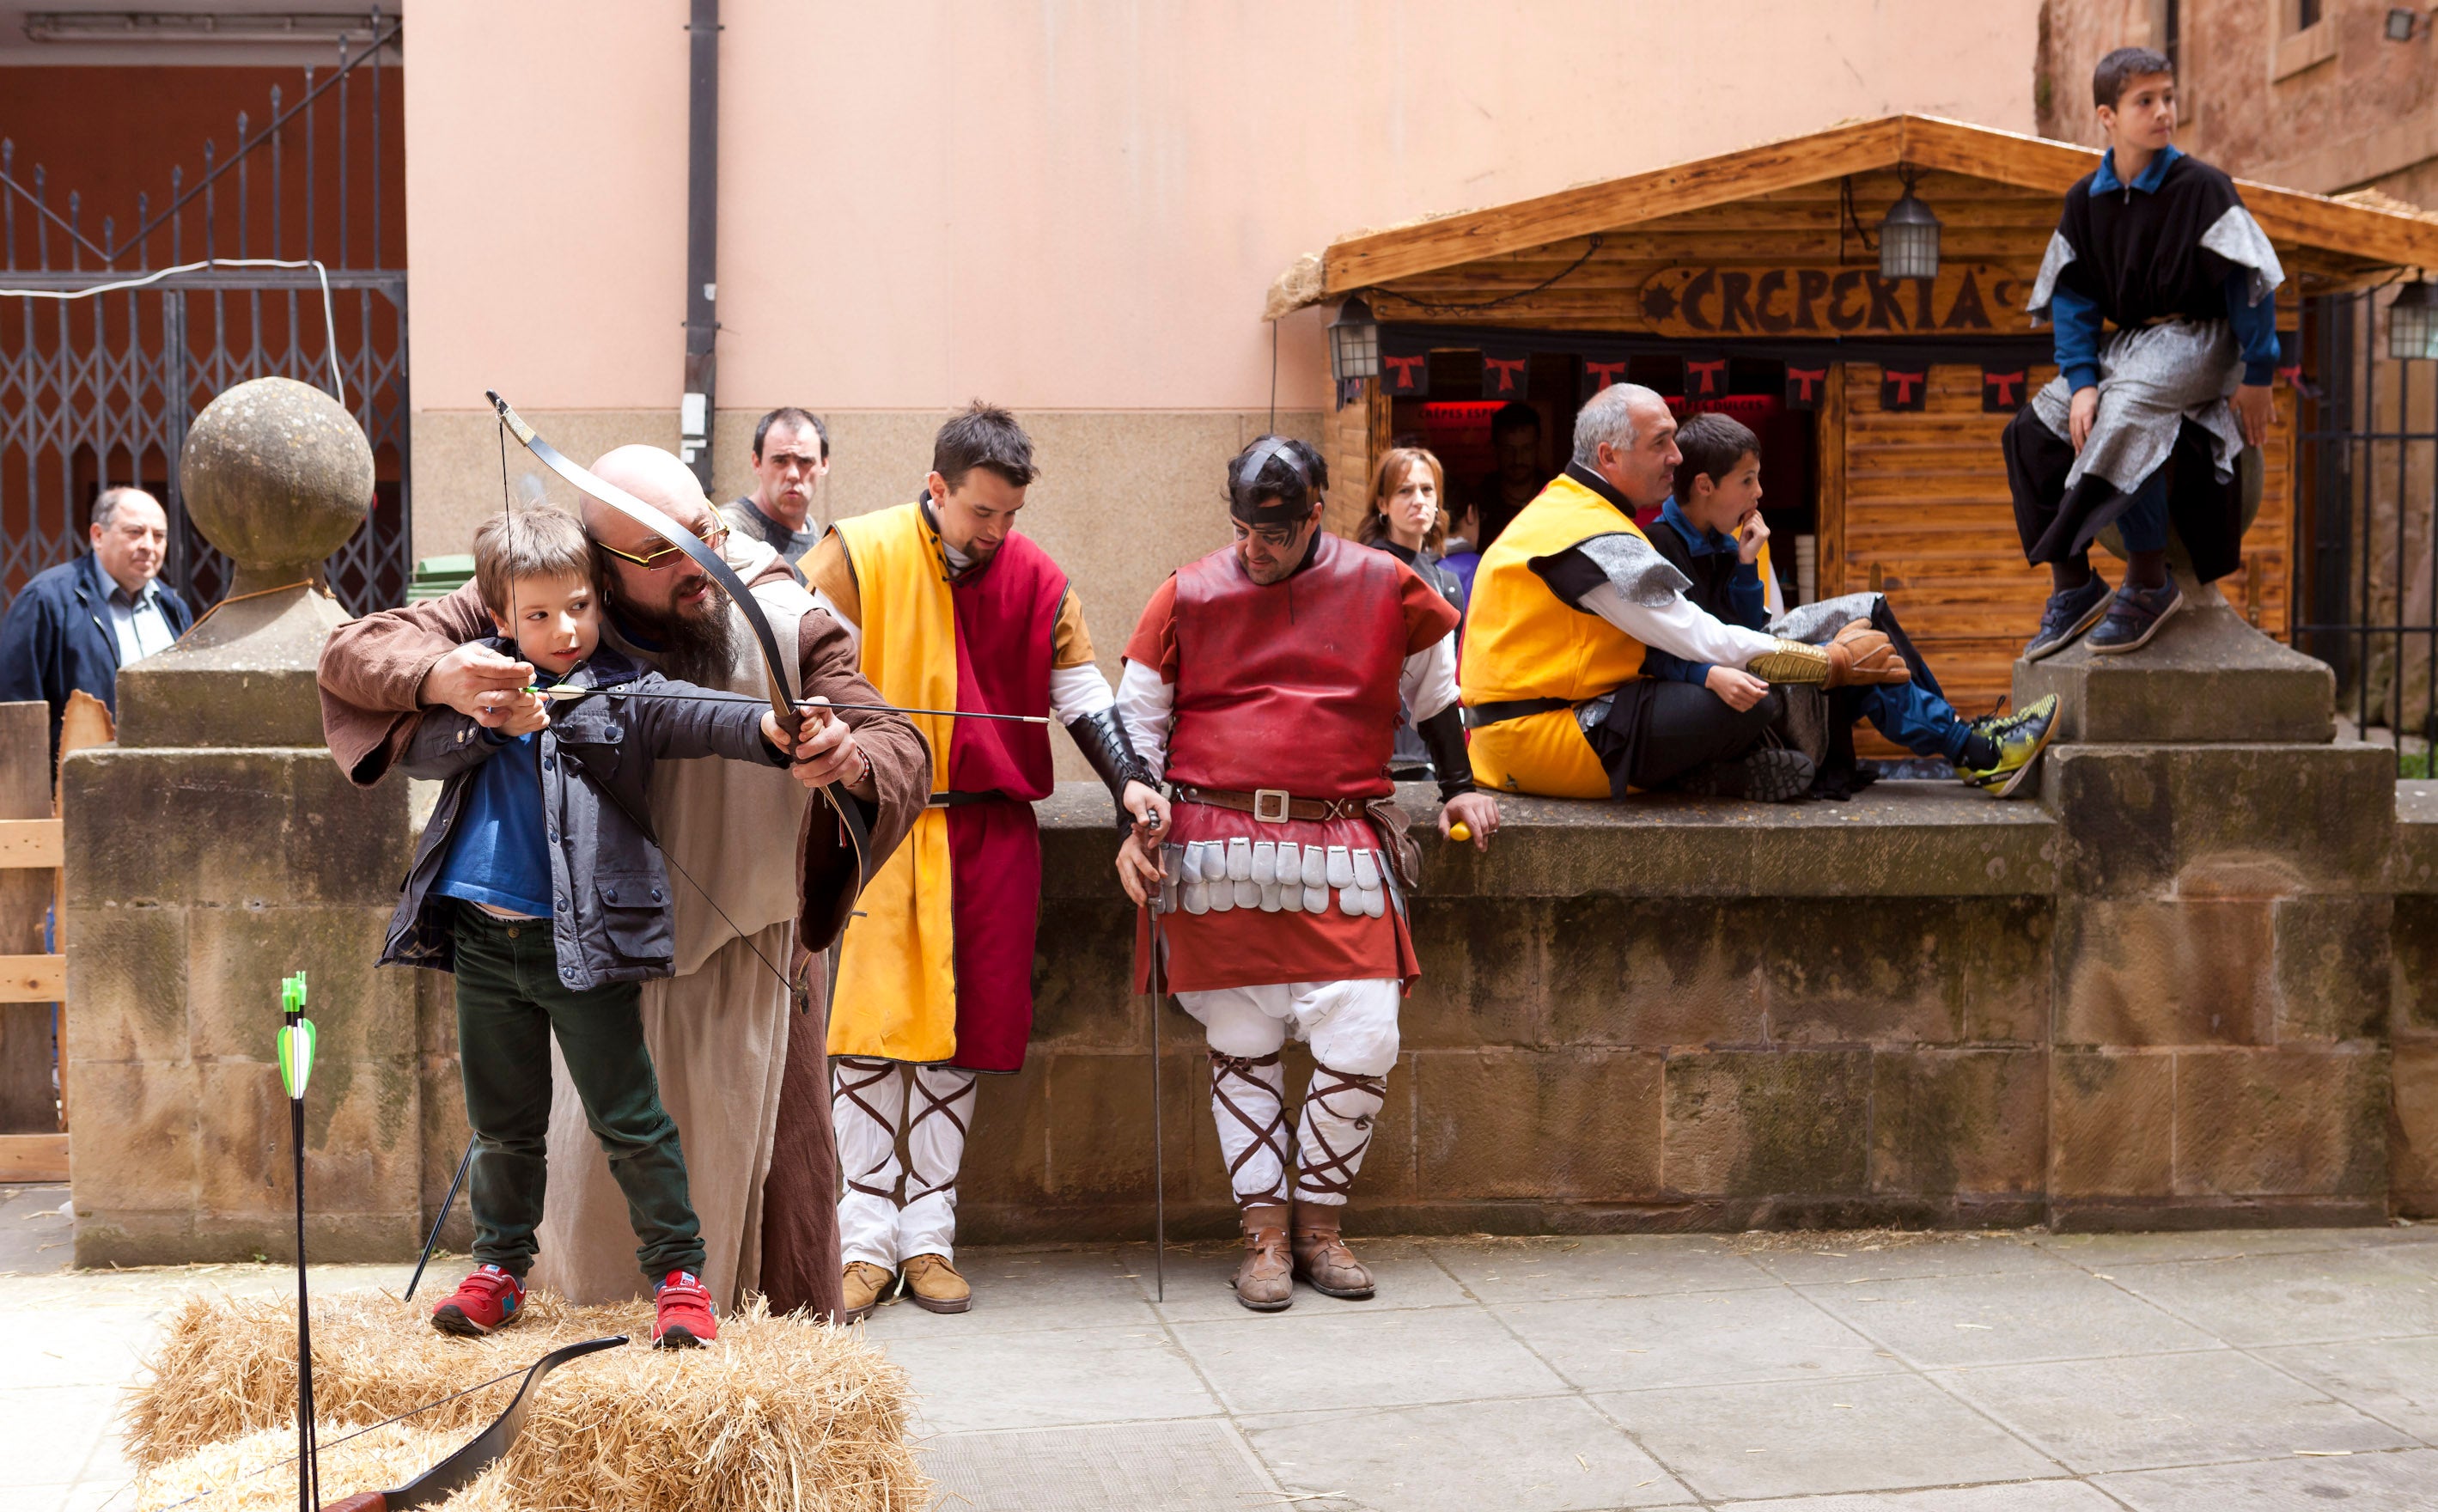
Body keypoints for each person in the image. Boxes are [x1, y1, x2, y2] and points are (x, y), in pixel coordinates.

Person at [319, 444, 929, 1321]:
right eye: (662, 554)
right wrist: (440, 674)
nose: (699, 565)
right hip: (594, 964)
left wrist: (852, 755)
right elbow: (355, 650)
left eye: (706, 534)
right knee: (575, 1214)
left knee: (777, 1244)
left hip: (750, 966)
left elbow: (896, 742)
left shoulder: (784, 615)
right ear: (599, 571)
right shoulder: (549, 595)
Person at [383, 508, 812, 1347]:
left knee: (630, 1117)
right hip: (480, 939)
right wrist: (479, 716)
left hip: (577, 944)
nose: (564, 628)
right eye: (538, 614)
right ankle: (501, 1267)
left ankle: (681, 1276)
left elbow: (695, 712)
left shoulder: (618, 691)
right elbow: (416, 745)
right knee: (502, 1121)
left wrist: (767, 726)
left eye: (578, 605)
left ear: (600, 601)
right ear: (502, 618)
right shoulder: (477, 683)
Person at [1113, 436, 1500, 1313]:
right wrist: (1133, 819)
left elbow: (1437, 694)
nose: (1257, 546)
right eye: (1246, 528)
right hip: (1216, 850)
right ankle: (1266, 1236)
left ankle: (1321, 1225)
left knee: (1365, 1035)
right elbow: (1139, 719)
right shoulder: (1186, 591)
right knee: (1243, 1041)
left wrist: (1463, 788)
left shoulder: (1389, 584)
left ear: (1317, 512)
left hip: (1340, 849)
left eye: (1277, 531)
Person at [801, 402, 1162, 1322]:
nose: (996, 532)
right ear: (937, 488)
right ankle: (861, 1241)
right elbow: (791, 653)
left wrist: (1128, 783)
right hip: (879, 822)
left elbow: (1081, 692)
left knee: (961, 1040)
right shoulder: (858, 554)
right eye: (980, 513)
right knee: (872, 1036)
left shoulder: (1039, 578)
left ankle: (929, 1239)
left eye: (1010, 514)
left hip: (990, 835)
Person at [1460, 384, 1912, 804]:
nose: (1677, 457)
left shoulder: (1572, 509)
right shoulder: (1589, 534)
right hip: (1535, 741)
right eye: (1660, 443)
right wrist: (1828, 664)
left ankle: (1711, 774)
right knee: (1742, 702)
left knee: (1746, 695)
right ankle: (1705, 776)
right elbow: (1703, 638)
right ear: (1608, 456)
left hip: (1524, 732)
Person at [2004, 45, 2283, 659]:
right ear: (2107, 116)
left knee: (2123, 409)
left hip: (2206, 338)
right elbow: (2073, 301)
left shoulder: (2204, 188)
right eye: (2146, 101)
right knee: (2030, 428)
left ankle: (2149, 581)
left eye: (2169, 97)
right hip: (2127, 345)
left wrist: (2260, 370)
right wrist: (2079, 381)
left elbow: (2250, 281)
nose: (2164, 112)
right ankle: (2073, 583)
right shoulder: (2085, 201)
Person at [1647, 413, 2059, 799]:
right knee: (1860, 663)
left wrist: (1745, 565)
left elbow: (1749, 629)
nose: (1758, 492)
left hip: (1754, 675)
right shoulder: (1659, 547)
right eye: (1747, 480)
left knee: (1867, 645)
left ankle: (1970, 745)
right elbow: (1658, 654)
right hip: (1729, 702)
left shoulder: (1726, 538)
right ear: (1705, 485)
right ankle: (1977, 750)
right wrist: (1710, 675)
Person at [0, 487, 192, 761]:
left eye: (159, 536)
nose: (149, 545)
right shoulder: (46, 600)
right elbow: (16, 709)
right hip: (76, 789)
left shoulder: (173, 607)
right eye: (135, 532)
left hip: (162, 781)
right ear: (98, 536)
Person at [1356, 447, 1466, 781]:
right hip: (1386, 755)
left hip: (1436, 747)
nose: (1418, 499)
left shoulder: (1445, 581)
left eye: (1427, 489)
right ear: (1383, 504)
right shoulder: (1367, 570)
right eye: (1405, 490)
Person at [719, 407, 831, 572]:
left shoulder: (810, 528)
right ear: (757, 463)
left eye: (805, 461)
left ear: (824, 465)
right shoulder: (728, 533)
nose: (793, 474)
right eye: (780, 461)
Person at [1472, 401, 1549, 552]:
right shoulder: (1480, 501)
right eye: (1509, 449)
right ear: (1495, 449)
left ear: (1538, 447)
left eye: (1526, 449)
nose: (1518, 459)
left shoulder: (1554, 495)